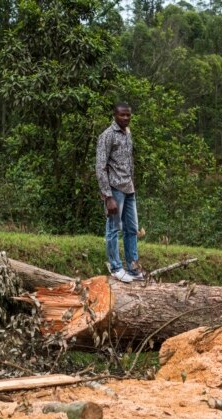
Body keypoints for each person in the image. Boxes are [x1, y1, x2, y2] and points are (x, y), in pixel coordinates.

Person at [95, 102, 145, 283]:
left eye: (128, 115)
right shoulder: (107, 136)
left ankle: (133, 267)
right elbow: (100, 167)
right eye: (122, 115)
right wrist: (108, 197)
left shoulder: (128, 133)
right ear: (114, 115)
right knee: (113, 229)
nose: (125, 118)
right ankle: (116, 267)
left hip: (129, 187)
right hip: (115, 189)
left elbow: (129, 161)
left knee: (131, 229)